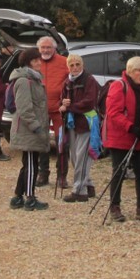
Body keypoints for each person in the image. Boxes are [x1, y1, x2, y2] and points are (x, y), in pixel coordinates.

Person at [102, 56, 140, 222]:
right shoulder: (119, 86)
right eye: (139, 70)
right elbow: (113, 113)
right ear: (131, 71)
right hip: (120, 137)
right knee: (119, 172)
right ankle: (115, 206)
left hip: (139, 136)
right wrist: (131, 127)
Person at [8, 47, 50, 211]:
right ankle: (30, 198)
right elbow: (25, 109)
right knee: (32, 164)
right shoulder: (24, 81)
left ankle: (17, 197)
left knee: (27, 164)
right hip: (29, 131)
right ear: (28, 63)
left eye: (39, 59)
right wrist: (37, 128)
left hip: (30, 130)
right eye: (35, 60)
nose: (39, 62)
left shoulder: (34, 79)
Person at [58, 54, 100, 202]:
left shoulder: (89, 80)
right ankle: (88, 185)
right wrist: (63, 104)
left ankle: (79, 191)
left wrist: (70, 107)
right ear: (68, 67)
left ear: (82, 65)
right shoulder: (67, 82)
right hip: (72, 123)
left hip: (87, 123)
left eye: (77, 64)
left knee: (82, 157)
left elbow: (89, 102)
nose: (75, 67)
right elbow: (61, 100)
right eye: (72, 65)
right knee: (75, 157)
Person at [35, 35, 69, 186]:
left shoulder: (64, 62)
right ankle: (43, 174)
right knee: (42, 143)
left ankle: (61, 176)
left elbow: (72, 82)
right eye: (43, 47)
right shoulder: (34, 63)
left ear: (54, 48)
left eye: (49, 47)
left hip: (59, 111)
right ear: (38, 49)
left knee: (61, 142)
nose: (46, 50)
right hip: (40, 110)